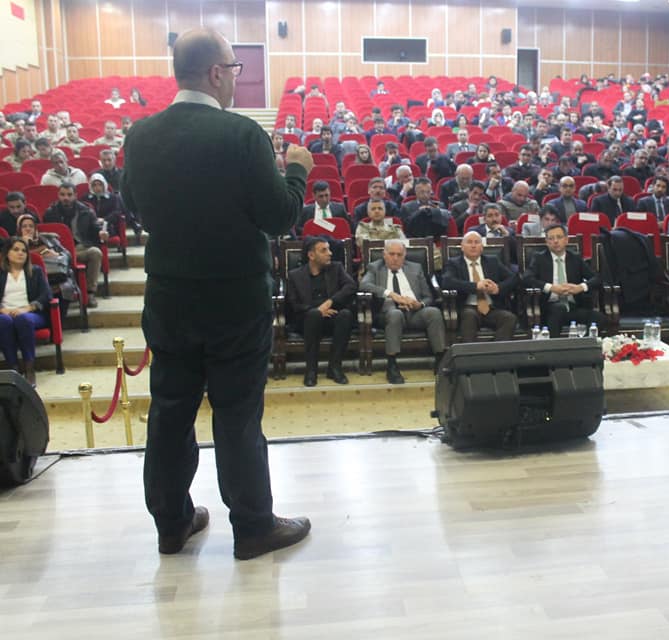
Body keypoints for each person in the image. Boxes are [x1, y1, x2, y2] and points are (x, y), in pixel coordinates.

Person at [120, 28, 313, 560]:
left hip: (170, 298)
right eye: (234, 70)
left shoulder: (140, 136)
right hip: (236, 303)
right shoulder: (243, 135)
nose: (235, 79)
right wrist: (297, 170)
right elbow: (279, 217)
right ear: (214, 73)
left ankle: (171, 523)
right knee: (236, 415)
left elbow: (132, 207)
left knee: (170, 410)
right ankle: (252, 528)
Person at [359, 238, 446, 384]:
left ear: (404, 255)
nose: (395, 258)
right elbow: (364, 285)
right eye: (391, 254)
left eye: (399, 255)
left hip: (414, 312)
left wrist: (420, 304)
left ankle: (440, 360)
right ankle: (392, 364)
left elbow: (428, 296)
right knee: (395, 314)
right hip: (387, 313)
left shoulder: (415, 268)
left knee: (433, 312)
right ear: (384, 255)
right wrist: (391, 294)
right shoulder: (375, 267)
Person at [284, 236, 356, 386]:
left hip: (331, 317)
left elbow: (351, 286)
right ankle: (311, 370)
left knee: (345, 315)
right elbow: (294, 304)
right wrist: (317, 310)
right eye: (324, 250)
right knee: (314, 315)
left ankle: (334, 367)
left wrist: (330, 302)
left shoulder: (336, 268)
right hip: (306, 321)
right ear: (311, 255)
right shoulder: (295, 275)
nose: (329, 253)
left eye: (329, 249)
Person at [522, 224, 604, 338]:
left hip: (572, 307)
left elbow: (597, 278)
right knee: (558, 309)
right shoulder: (539, 258)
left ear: (566, 240)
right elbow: (526, 278)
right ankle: (554, 349)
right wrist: (551, 288)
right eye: (551, 238)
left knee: (598, 317)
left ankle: (583, 346)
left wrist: (580, 287)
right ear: (547, 242)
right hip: (549, 307)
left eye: (559, 237)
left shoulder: (575, 258)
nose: (555, 241)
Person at [441, 231, 517, 342]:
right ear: (462, 247)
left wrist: (498, 288)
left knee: (509, 318)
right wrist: (476, 286)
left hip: (492, 308)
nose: (473, 245)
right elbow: (447, 281)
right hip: (468, 307)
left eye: (477, 242)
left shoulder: (492, 261)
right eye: (469, 242)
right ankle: (470, 356)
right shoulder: (454, 263)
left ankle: (496, 354)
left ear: (481, 247)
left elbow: (514, 278)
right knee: (469, 316)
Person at [42, 183, 107, 307]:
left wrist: (101, 233)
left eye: (69, 194)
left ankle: (90, 293)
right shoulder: (50, 213)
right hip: (58, 252)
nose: (66, 197)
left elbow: (95, 229)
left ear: (75, 195)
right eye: (62, 194)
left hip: (80, 249)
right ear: (58, 195)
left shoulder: (86, 211)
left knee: (96, 252)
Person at [0, 237, 52, 386]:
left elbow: (46, 295)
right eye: (15, 250)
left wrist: (28, 308)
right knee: (4, 321)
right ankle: (14, 369)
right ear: (7, 253)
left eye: (23, 250)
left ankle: (29, 369)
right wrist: (2, 310)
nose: (20, 253)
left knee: (23, 319)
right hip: (5, 314)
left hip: (32, 314)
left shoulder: (35, 271)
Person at [17, 215, 79, 314]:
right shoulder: (15, 245)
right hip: (30, 281)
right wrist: (25, 245)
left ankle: (58, 326)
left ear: (35, 228)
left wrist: (56, 255)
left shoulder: (48, 239)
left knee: (63, 289)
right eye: (24, 226)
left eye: (31, 226)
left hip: (55, 277)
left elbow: (68, 255)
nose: (28, 229)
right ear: (19, 230)